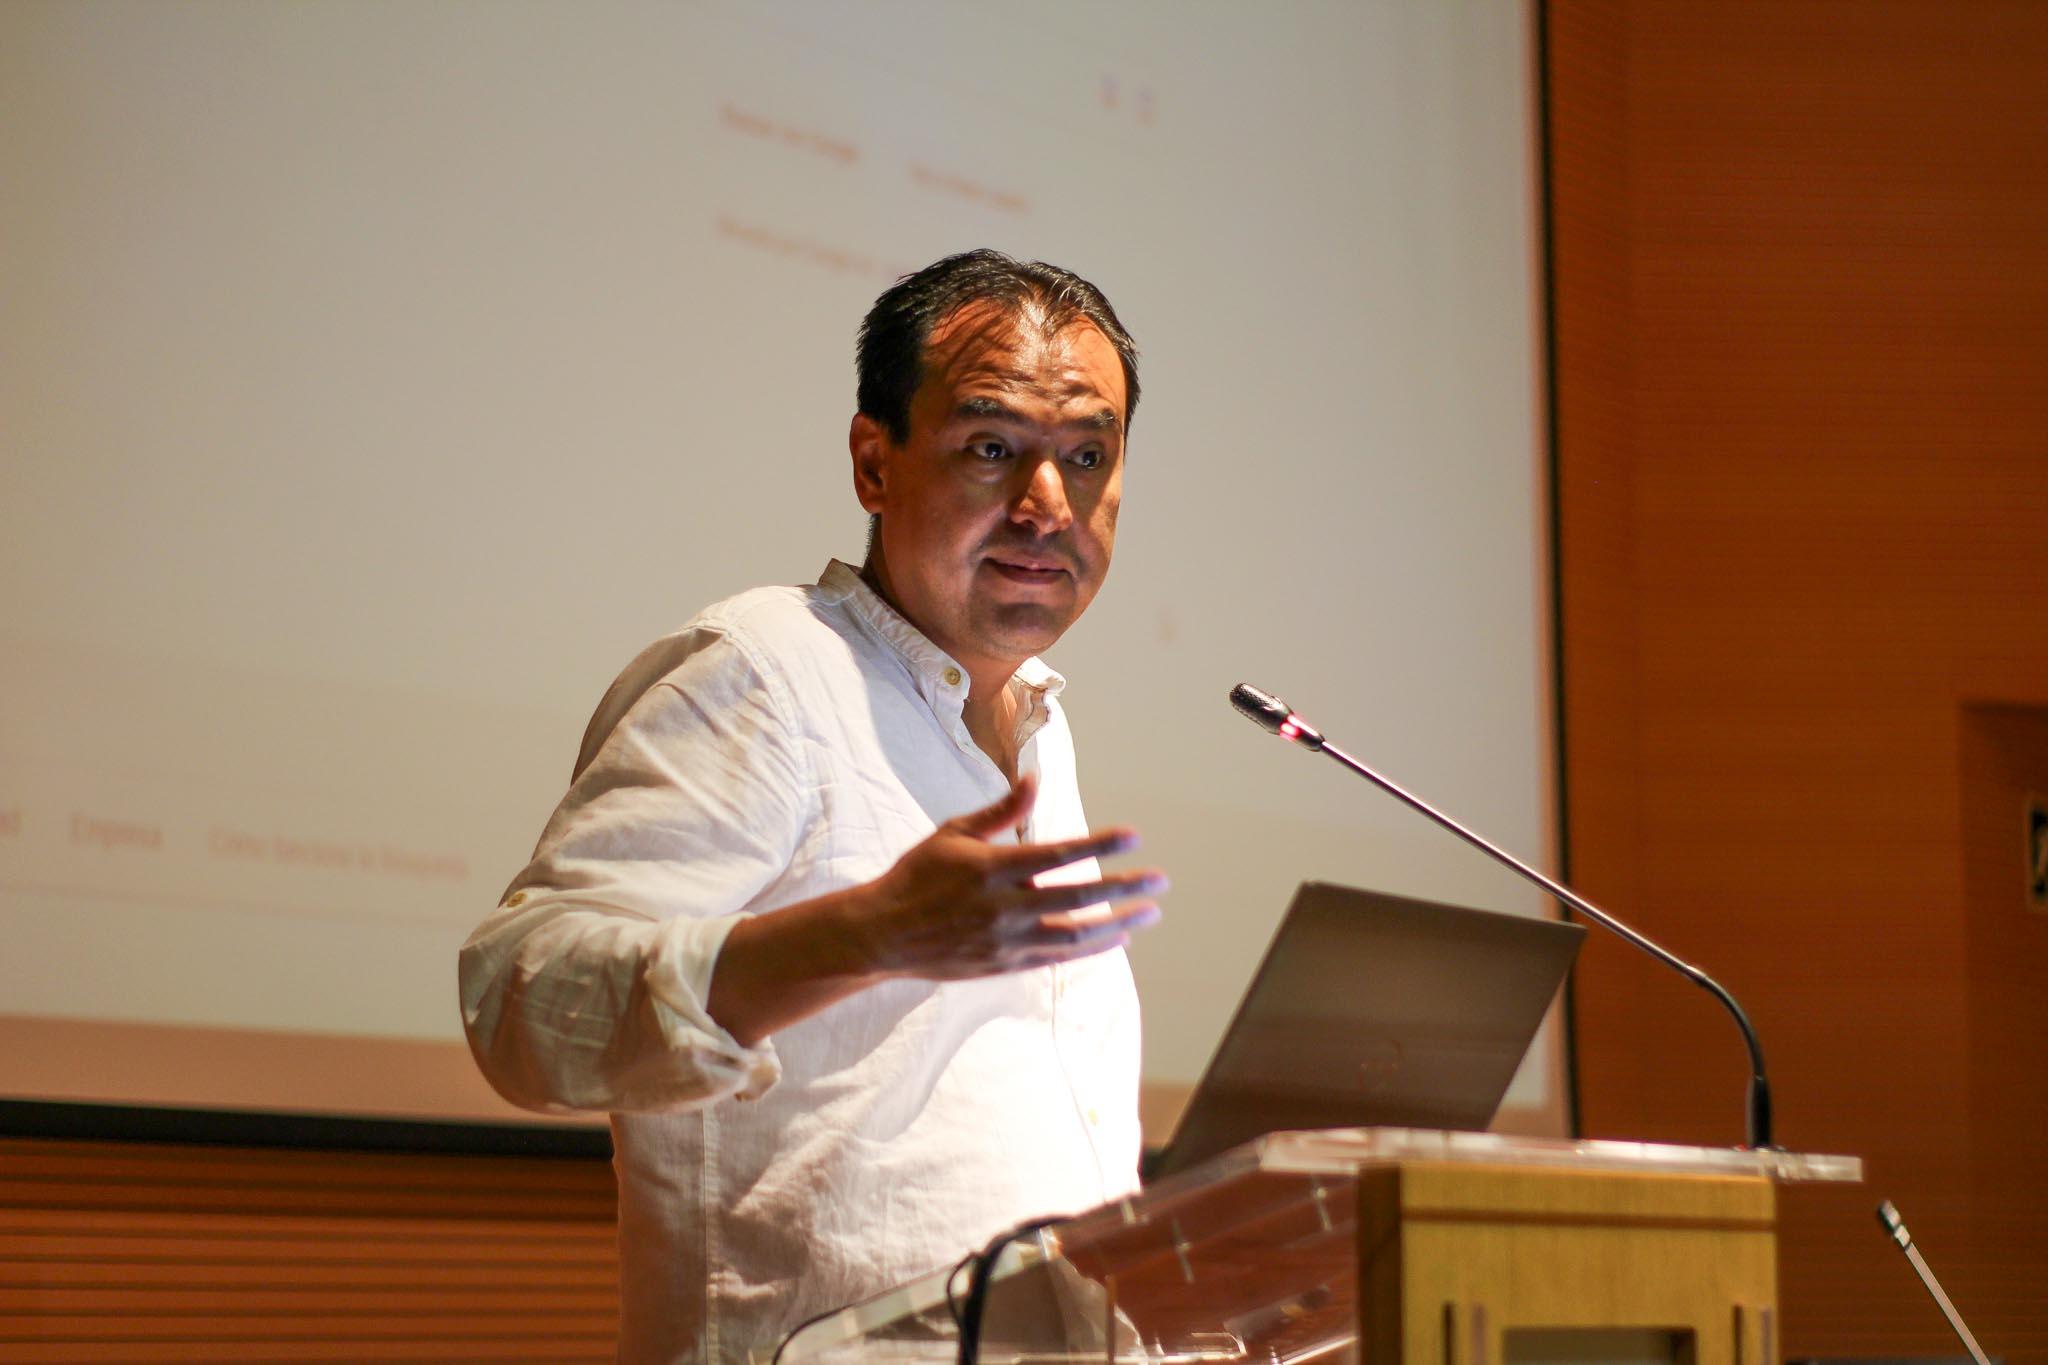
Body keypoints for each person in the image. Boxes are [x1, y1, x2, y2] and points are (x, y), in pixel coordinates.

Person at [459, 250, 1167, 1365]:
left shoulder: (1034, 726)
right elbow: (519, 998)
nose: (1046, 504)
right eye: (991, 448)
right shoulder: (764, 675)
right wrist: (867, 933)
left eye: (1086, 456)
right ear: (872, 463)